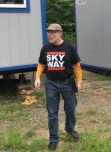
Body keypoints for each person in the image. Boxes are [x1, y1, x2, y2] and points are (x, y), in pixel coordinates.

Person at [34, 23, 82, 151]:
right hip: (51, 84)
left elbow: (76, 66)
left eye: (53, 32)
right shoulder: (45, 49)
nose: (50, 34)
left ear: (60, 33)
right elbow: (41, 64)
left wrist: (79, 81)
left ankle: (70, 130)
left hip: (68, 83)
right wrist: (38, 77)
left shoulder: (70, 47)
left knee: (71, 109)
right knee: (52, 112)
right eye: (48, 32)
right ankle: (53, 138)